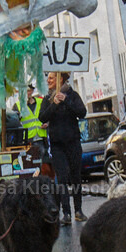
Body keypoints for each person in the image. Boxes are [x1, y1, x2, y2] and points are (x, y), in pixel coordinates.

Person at [40, 71, 87, 224]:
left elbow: (82, 112)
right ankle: (65, 213)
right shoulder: (47, 98)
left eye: (51, 78)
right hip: (57, 145)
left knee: (75, 177)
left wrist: (66, 101)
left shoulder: (72, 95)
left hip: (73, 142)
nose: (48, 81)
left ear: (60, 79)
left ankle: (78, 210)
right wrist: (54, 104)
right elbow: (42, 117)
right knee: (62, 178)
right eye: (48, 78)